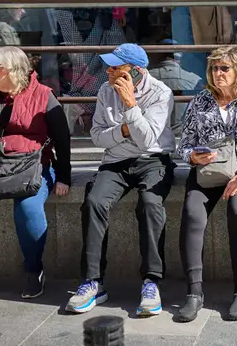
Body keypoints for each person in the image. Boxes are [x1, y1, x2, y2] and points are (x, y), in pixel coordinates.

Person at [66, 44, 175, 317]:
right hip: (115, 162)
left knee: (150, 204)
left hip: (153, 160)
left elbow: (148, 140)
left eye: (116, 67)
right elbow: (97, 137)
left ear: (136, 72)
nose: (109, 72)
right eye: (109, 66)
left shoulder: (161, 93)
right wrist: (127, 129)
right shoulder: (104, 91)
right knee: (94, 202)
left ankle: (151, 282)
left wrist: (129, 105)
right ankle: (93, 282)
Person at [0, 46, 71, 301]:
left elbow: (62, 139)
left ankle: (33, 270)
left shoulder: (43, 96)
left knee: (28, 209)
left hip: (28, 168)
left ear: (14, 71)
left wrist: (64, 176)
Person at [176, 46, 237, 322]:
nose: (218, 74)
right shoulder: (200, 102)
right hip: (208, 172)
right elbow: (184, 144)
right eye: (215, 68)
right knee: (193, 214)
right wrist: (192, 156)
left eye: (224, 68)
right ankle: (194, 293)